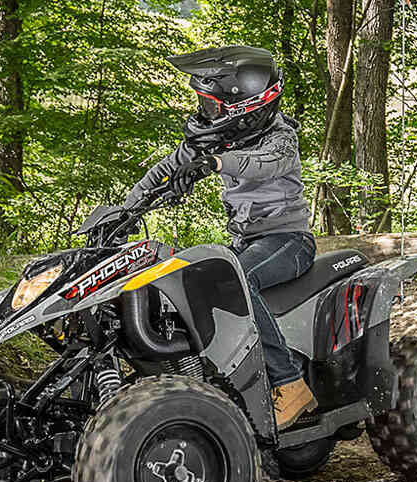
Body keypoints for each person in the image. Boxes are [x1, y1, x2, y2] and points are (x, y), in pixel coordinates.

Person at [122, 45, 317, 430]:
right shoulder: (219, 138)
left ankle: (289, 382)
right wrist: (125, 210)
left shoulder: (281, 139)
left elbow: (259, 165)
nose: (205, 112)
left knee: (237, 282)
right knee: (185, 279)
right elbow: (163, 171)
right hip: (245, 243)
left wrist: (213, 163)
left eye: (211, 105)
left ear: (246, 105)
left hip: (287, 241)